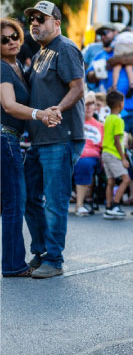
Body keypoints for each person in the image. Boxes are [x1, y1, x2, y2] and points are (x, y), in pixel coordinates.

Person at [21, 1, 85, 279]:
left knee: (55, 202)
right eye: (33, 19)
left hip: (61, 137)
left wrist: (59, 108)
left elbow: (78, 88)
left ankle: (54, 260)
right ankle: (42, 251)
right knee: (28, 197)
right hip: (39, 139)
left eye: (42, 18)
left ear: (56, 23)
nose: (35, 23)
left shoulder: (66, 48)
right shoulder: (40, 54)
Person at [1, 17, 60, 277]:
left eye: (14, 36)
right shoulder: (3, 68)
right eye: (4, 39)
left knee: (16, 201)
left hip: (12, 140)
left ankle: (21, 258)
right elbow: (9, 106)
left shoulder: (17, 66)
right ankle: (13, 265)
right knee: (15, 202)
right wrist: (40, 114)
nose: (11, 41)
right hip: (5, 138)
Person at [86, 24, 133, 134]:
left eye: (105, 33)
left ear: (116, 32)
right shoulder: (102, 54)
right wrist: (103, 69)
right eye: (99, 35)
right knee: (116, 145)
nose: (102, 37)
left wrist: (116, 60)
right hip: (113, 109)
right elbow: (89, 76)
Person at [72, 92, 104, 217]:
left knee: (84, 163)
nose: (90, 107)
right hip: (73, 154)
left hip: (91, 158)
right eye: (87, 104)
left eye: (92, 105)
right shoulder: (74, 122)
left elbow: (104, 145)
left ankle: (79, 205)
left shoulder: (100, 126)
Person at [100, 90, 131, 219]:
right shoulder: (118, 120)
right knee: (126, 179)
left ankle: (108, 207)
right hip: (113, 154)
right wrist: (123, 158)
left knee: (111, 181)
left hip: (105, 153)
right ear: (120, 104)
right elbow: (117, 141)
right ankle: (115, 205)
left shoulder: (108, 118)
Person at [110, 30, 133, 98]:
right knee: (129, 68)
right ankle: (131, 84)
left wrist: (109, 49)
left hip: (119, 46)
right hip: (130, 46)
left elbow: (112, 45)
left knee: (116, 67)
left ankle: (114, 86)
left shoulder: (119, 36)